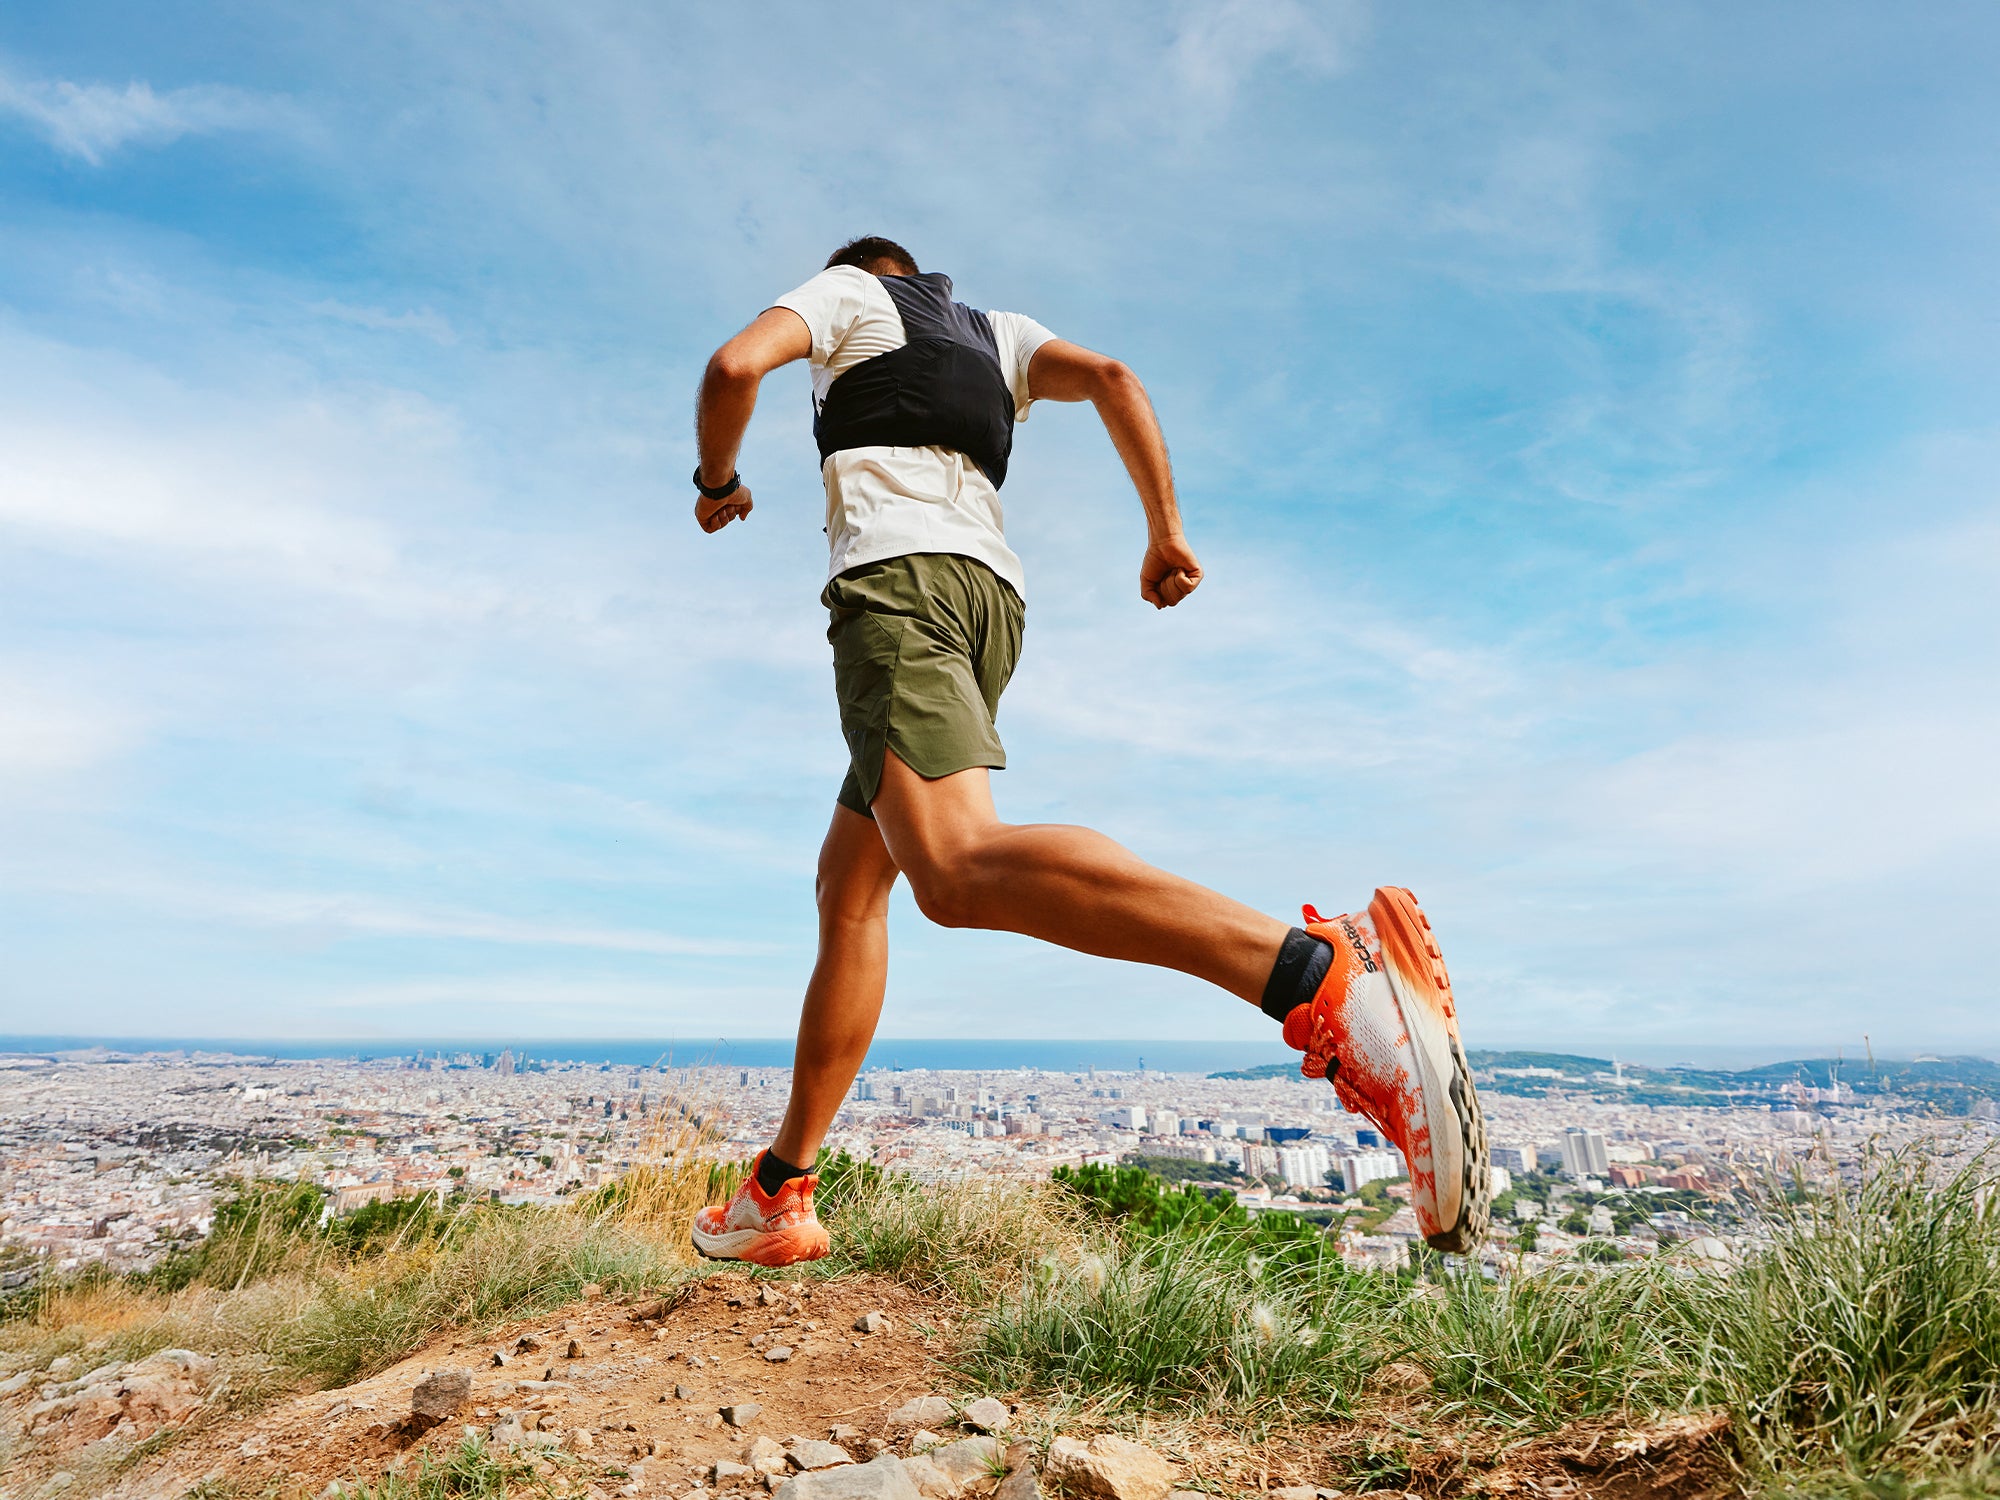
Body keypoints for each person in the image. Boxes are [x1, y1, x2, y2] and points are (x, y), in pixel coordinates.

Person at [688, 236, 1489, 1265]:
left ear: (865, 270)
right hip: (988, 608)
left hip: (899, 592)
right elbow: (1113, 377)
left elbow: (731, 368)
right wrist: (1163, 530)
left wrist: (716, 480)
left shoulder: (848, 291)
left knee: (952, 869)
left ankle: (1316, 975)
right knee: (850, 887)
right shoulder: (998, 332)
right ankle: (779, 1190)